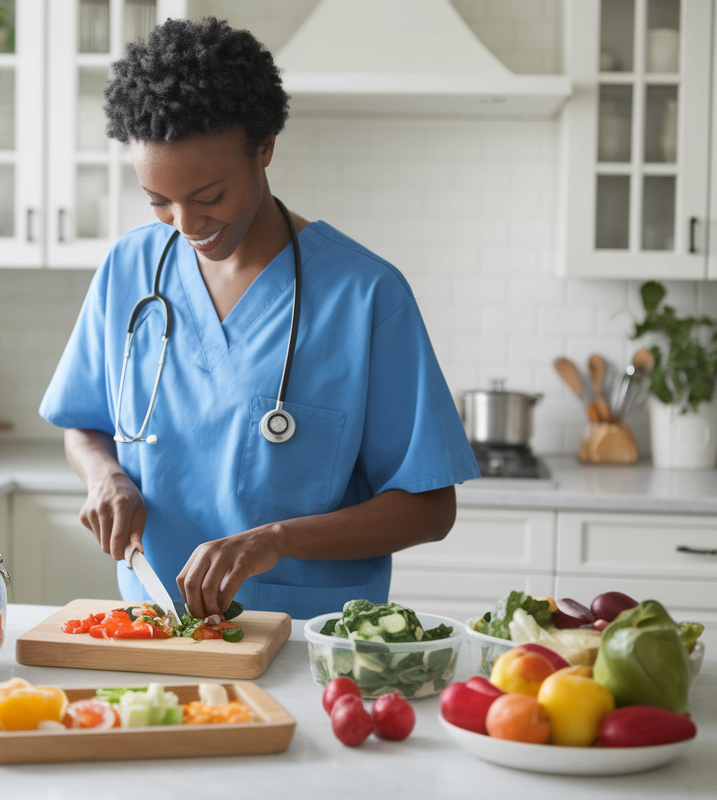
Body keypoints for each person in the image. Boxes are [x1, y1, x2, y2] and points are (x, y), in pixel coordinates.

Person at [39, 17, 480, 622]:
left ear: (265, 146)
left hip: (310, 638)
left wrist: (275, 541)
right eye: (159, 201)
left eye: (210, 197)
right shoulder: (129, 268)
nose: (187, 225)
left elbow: (430, 509)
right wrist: (105, 478)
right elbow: (83, 426)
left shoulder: (367, 296)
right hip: (151, 624)